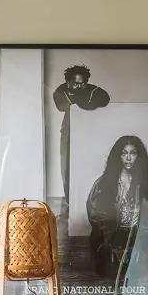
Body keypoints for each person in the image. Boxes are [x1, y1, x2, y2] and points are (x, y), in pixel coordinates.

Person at [86, 136, 148, 287]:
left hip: (138, 237)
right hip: (110, 238)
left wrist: (142, 225)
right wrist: (109, 236)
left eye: (133, 153)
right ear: (118, 156)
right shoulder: (103, 183)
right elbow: (94, 211)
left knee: (138, 278)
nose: (128, 158)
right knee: (109, 275)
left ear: (139, 156)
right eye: (124, 153)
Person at [52, 65, 110, 207]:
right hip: (69, 133)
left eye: (83, 83)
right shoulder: (60, 91)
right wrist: (86, 102)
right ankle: (71, 202)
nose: (80, 86)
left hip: (89, 132)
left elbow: (104, 98)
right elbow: (64, 105)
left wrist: (82, 101)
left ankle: (91, 201)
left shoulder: (93, 90)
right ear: (68, 83)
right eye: (76, 84)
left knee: (90, 165)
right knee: (68, 168)